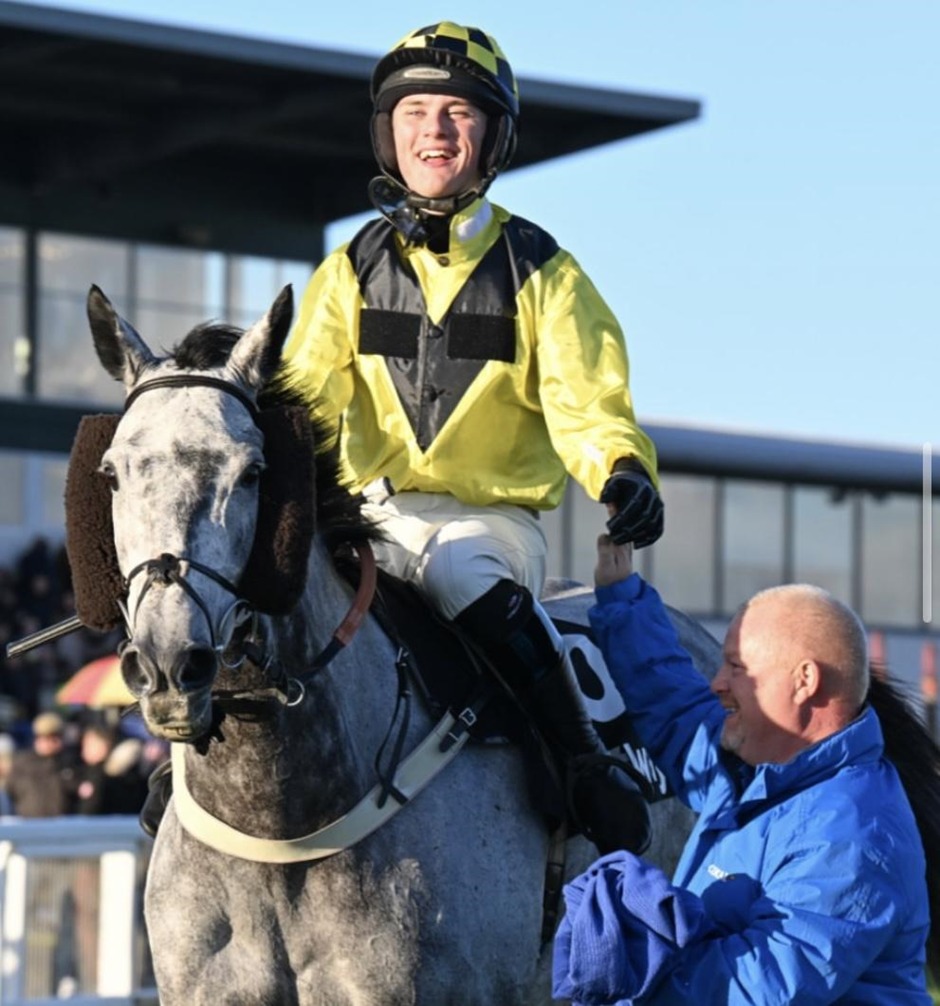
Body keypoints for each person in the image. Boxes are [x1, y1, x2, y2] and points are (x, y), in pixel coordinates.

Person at [283, 22, 663, 855]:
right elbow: (300, 400)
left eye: (458, 113)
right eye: (415, 111)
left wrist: (624, 469)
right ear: (390, 131)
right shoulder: (347, 270)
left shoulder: (544, 271)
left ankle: (585, 761)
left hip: (488, 528)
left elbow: (586, 400)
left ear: (493, 136)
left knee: (460, 566)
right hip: (371, 523)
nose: (435, 131)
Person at [552, 536, 932, 1004]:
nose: (717, 681)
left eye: (736, 666)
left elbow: (756, 989)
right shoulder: (756, 764)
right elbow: (675, 707)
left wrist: (633, 956)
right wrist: (621, 595)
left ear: (804, 682)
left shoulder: (856, 835)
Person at [6, 711, 78, 817]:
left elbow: (75, 790)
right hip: (29, 823)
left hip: (61, 825)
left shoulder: (69, 762)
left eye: (54, 738)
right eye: (44, 738)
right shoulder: (23, 762)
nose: (48, 743)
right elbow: (11, 789)